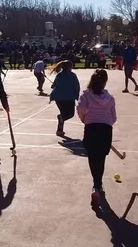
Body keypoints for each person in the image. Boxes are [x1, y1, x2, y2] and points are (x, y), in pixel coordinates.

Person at [77, 69, 116, 206]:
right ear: (105, 82)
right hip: (105, 129)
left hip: (91, 128)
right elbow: (113, 117)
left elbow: (80, 109)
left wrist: (85, 119)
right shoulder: (110, 98)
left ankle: (96, 185)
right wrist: (105, 122)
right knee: (101, 158)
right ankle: (98, 185)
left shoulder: (86, 95)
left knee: (93, 158)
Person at [49, 60, 80, 137]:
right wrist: (77, 96)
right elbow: (77, 87)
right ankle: (60, 120)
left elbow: (53, 86)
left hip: (58, 97)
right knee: (70, 114)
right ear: (70, 67)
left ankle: (59, 130)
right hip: (68, 97)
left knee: (63, 114)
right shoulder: (73, 75)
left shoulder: (59, 75)